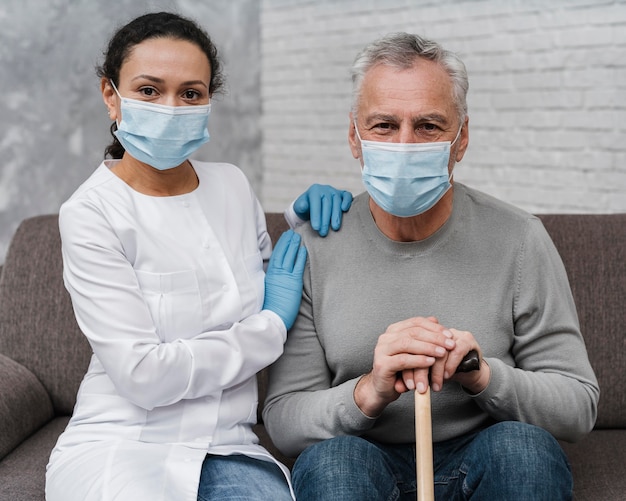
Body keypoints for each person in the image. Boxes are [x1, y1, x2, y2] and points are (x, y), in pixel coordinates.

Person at [263, 32, 599, 500]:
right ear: (354, 137)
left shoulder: (519, 238)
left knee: (522, 452)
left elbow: (577, 407)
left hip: (484, 453)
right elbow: (284, 419)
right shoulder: (314, 247)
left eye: (428, 126)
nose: (404, 144)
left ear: (461, 139)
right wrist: (370, 391)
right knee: (333, 463)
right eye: (383, 125)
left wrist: (483, 375)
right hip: (364, 458)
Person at [45, 12, 351, 501]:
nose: (171, 107)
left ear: (209, 99)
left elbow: (265, 277)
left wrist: (303, 223)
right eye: (149, 90)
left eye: (191, 93)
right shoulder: (90, 213)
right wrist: (269, 327)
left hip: (229, 445)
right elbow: (144, 376)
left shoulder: (231, 183)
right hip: (124, 444)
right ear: (111, 96)